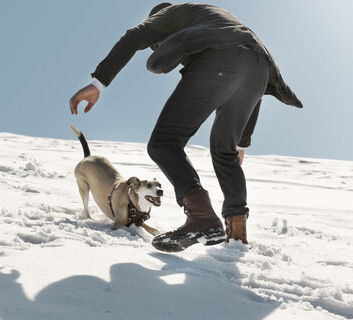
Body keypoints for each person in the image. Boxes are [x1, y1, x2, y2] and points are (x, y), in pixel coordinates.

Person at [69, 3, 302, 252]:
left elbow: (133, 36)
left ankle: (202, 217)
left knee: (164, 142)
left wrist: (98, 82)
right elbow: (251, 84)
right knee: (225, 152)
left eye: (157, 44)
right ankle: (237, 236)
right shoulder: (215, 19)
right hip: (259, 69)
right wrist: (240, 143)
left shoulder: (169, 14)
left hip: (221, 59)